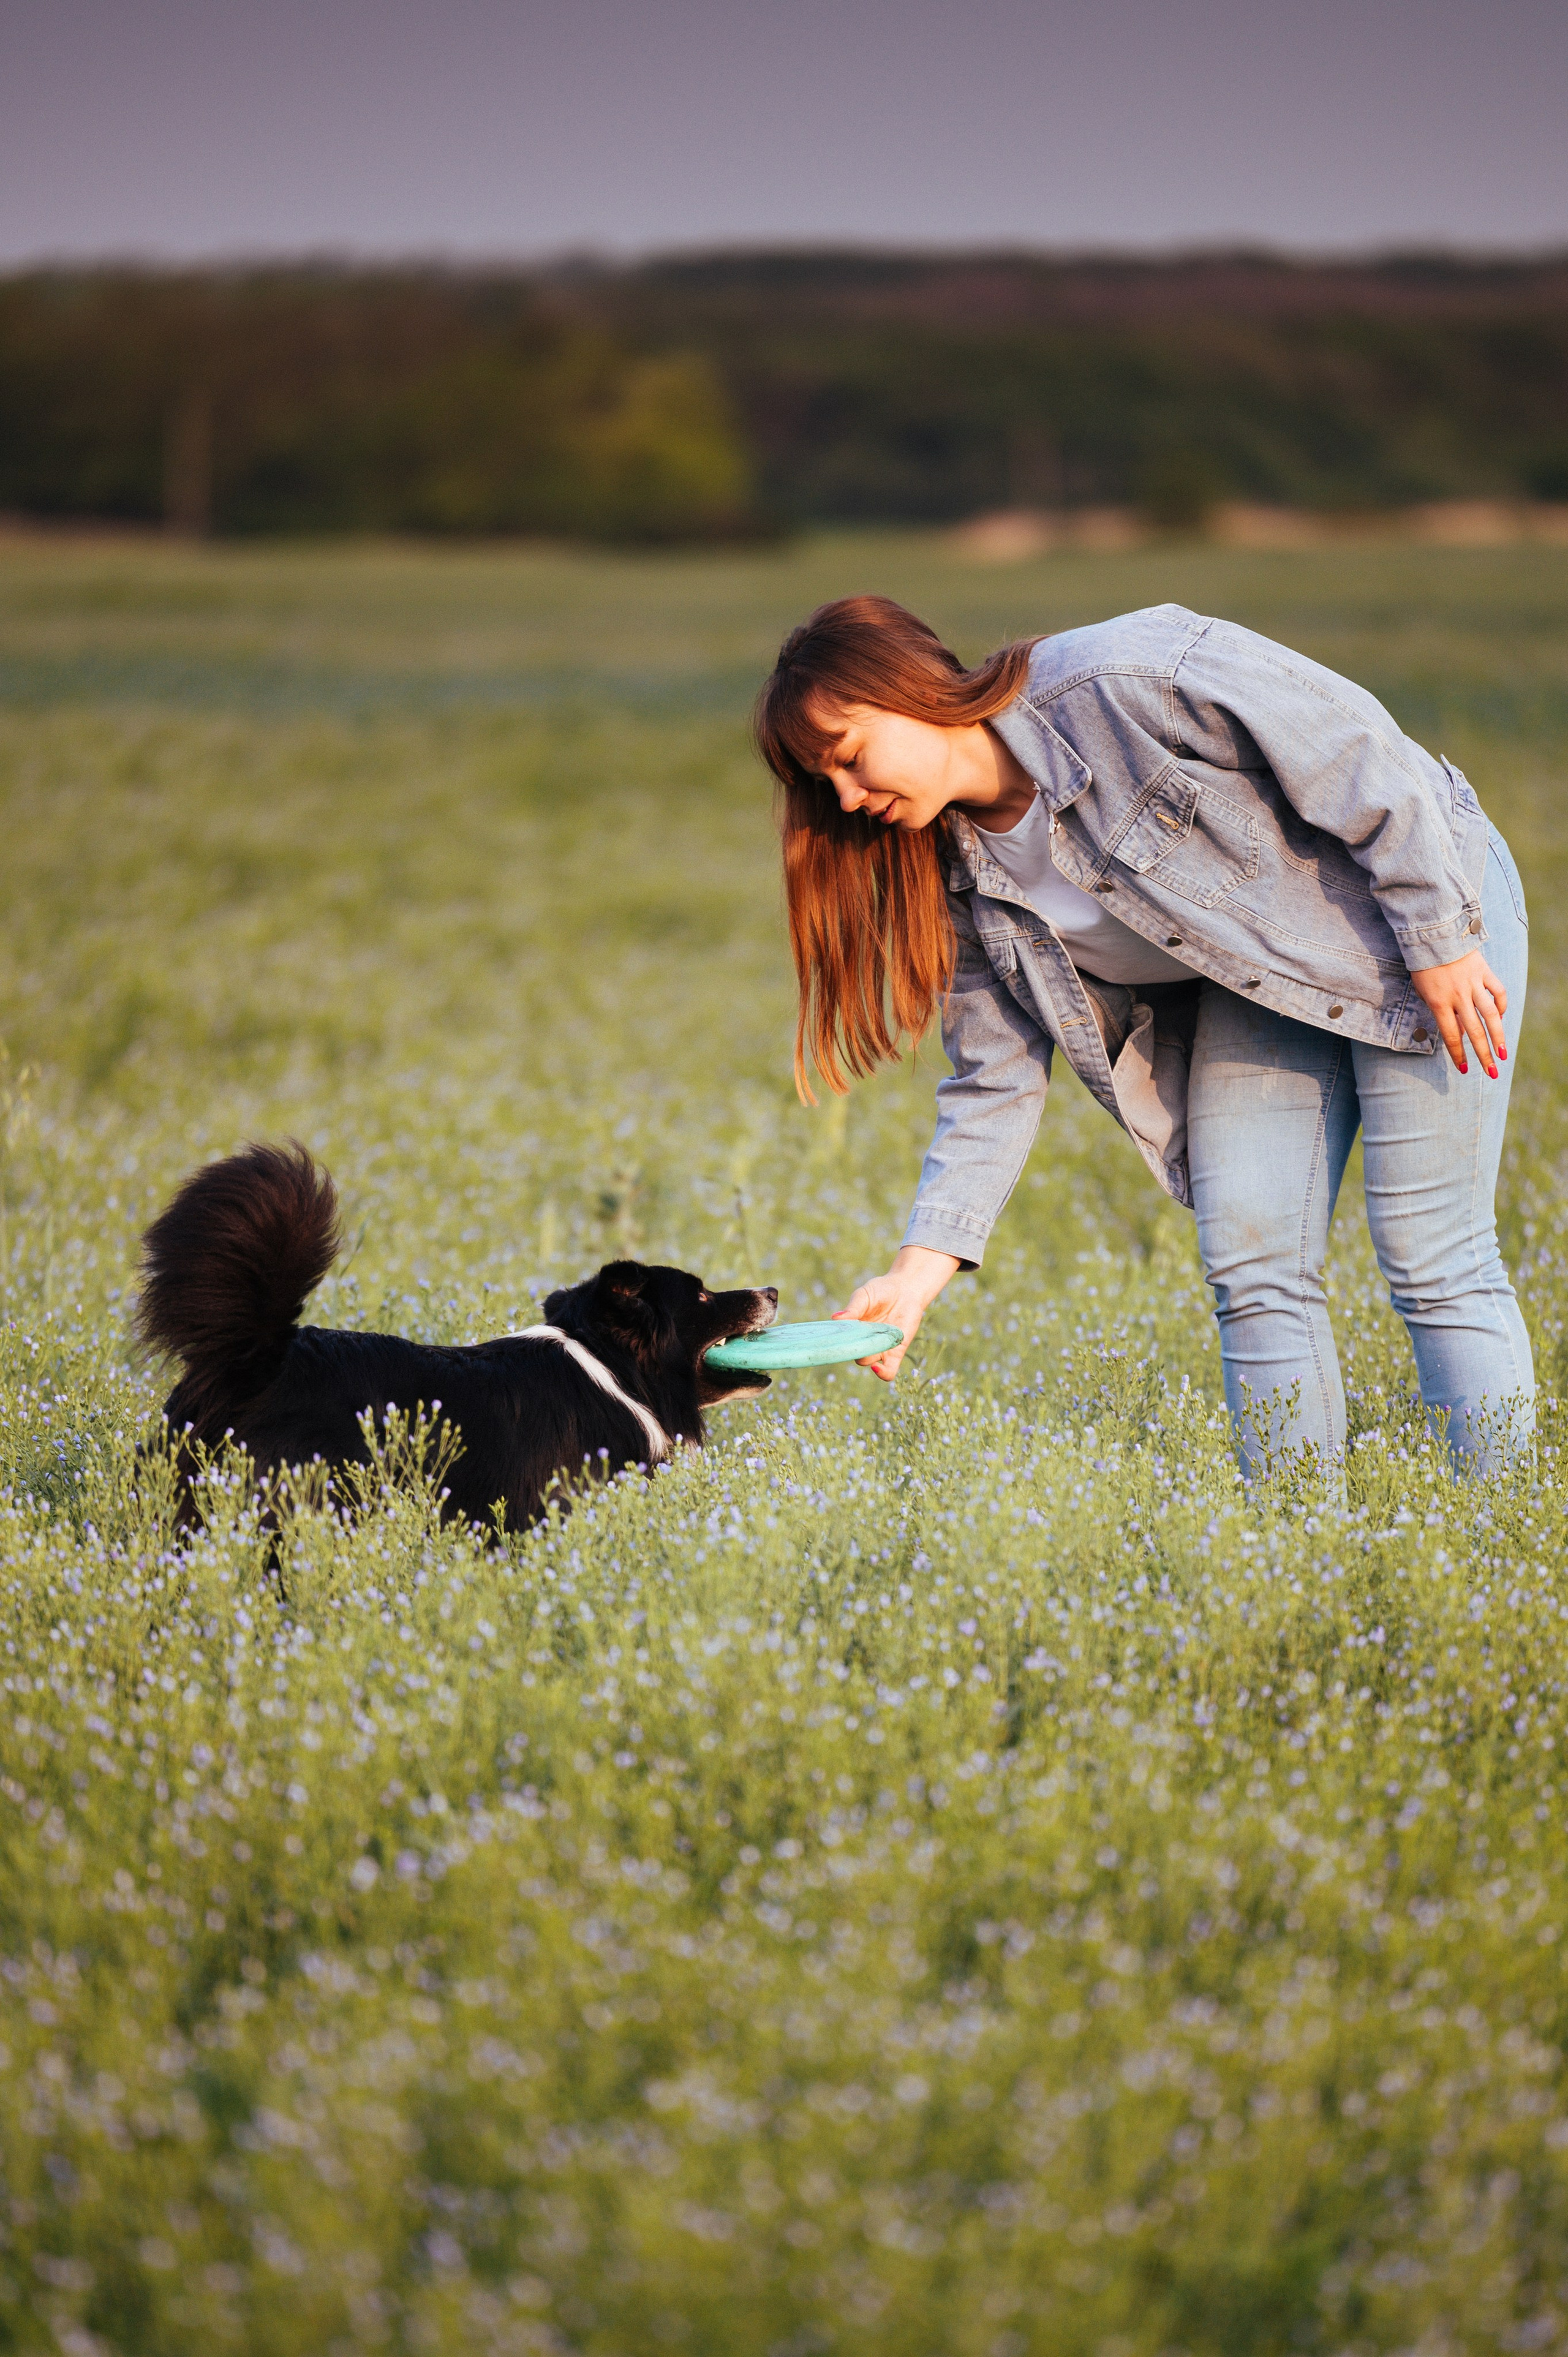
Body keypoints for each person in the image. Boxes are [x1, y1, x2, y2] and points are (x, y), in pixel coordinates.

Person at [753, 595, 1532, 1478]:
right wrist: (914, 1275)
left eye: (849, 758)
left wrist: (1439, 937)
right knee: (1252, 1264)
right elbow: (992, 1083)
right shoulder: (961, 874)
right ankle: (1297, 1540)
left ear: (909, 690)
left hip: (1420, 910)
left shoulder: (1121, 678)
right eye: (829, 789)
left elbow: (1353, 746)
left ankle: (1485, 1516)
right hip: (1260, 980)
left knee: (1433, 1257)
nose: (851, 799)